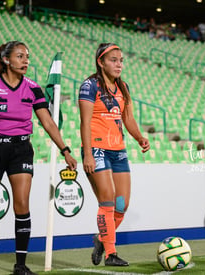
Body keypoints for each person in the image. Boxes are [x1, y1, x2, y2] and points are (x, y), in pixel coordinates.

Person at [0, 41, 77, 275]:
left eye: (27, 57)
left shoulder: (33, 88)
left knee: (22, 206)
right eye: (20, 56)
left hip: (21, 149)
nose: (25, 61)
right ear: (6, 59)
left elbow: (48, 122)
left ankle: (20, 266)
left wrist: (65, 149)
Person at [79, 43, 150, 267]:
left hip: (118, 151)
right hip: (97, 150)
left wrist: (139, 137)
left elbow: (127, 118)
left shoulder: (123, 87)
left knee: (122, 205)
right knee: (107, 201)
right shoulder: (89, 86)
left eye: (120, 60)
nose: (119, 64)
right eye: (113, 60)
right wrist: (88, 154)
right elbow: (85, 122)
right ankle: (110, 253)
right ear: (101, 62)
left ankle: (100, 239)